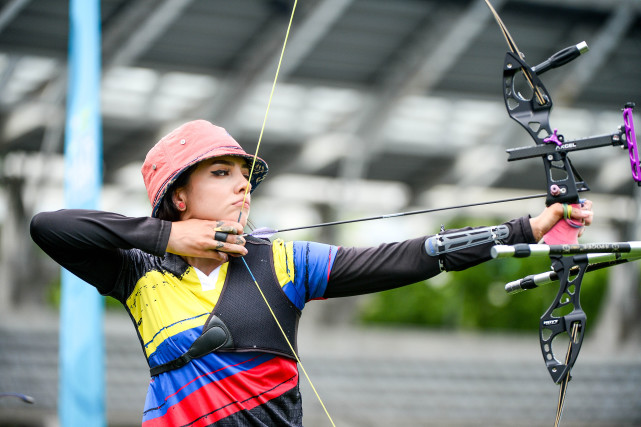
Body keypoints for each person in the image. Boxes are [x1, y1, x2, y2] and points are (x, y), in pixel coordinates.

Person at [30, 120, 593, 426]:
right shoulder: (139, 273)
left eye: (244, 175)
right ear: (179, 197)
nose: (242, 185)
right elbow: (49, 224)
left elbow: (410, 256)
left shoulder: (281, 262)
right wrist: (165, 238)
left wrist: (527, 228)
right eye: (222, 174)